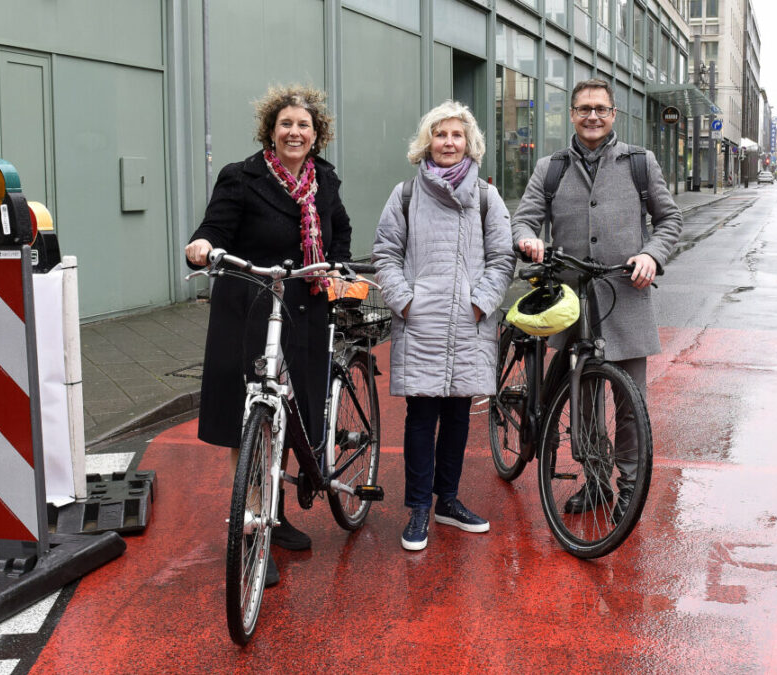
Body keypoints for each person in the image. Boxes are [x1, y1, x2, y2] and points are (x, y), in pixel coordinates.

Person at [185, 85, 351, 585]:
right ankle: (253, 525)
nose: (295, 132)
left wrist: (338, 266)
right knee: (249, 418)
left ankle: (275, 517)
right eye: (286, 124)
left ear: (316, 134)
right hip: (249, 309)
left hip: (304, 309)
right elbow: (214, 226)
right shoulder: (240, 176)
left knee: (292, 417)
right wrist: (202, 245)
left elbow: (339, 230)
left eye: (304, 125)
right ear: (270, 132)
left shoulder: (325, 180)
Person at [511, 78, 682, 521]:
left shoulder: (639, 163)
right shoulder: (550, 167)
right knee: (583, 401)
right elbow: (524, 219)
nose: (592, 116)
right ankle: (594, 480)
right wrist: (528, 239)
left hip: (626, 296)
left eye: (601, 109)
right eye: (584, 108)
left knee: (630, 407)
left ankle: (629, 486)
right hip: (572, 302)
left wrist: (651, 254)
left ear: (613, 115)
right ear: (571, 114)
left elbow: (669, 220)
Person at [372, 101, 515, 551]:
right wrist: (405, 303)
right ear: (426, 143)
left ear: (469, 143)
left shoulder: (488, 197)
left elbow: (502, 258)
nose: (449, 142)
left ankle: (447, 501)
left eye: (456, 135)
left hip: (469, 324)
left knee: (457, 416)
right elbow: (385, 253)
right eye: (440, 135)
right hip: (421, 324)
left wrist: (480, 305)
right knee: (420, 417)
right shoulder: (406, 195)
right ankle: (418, 507)